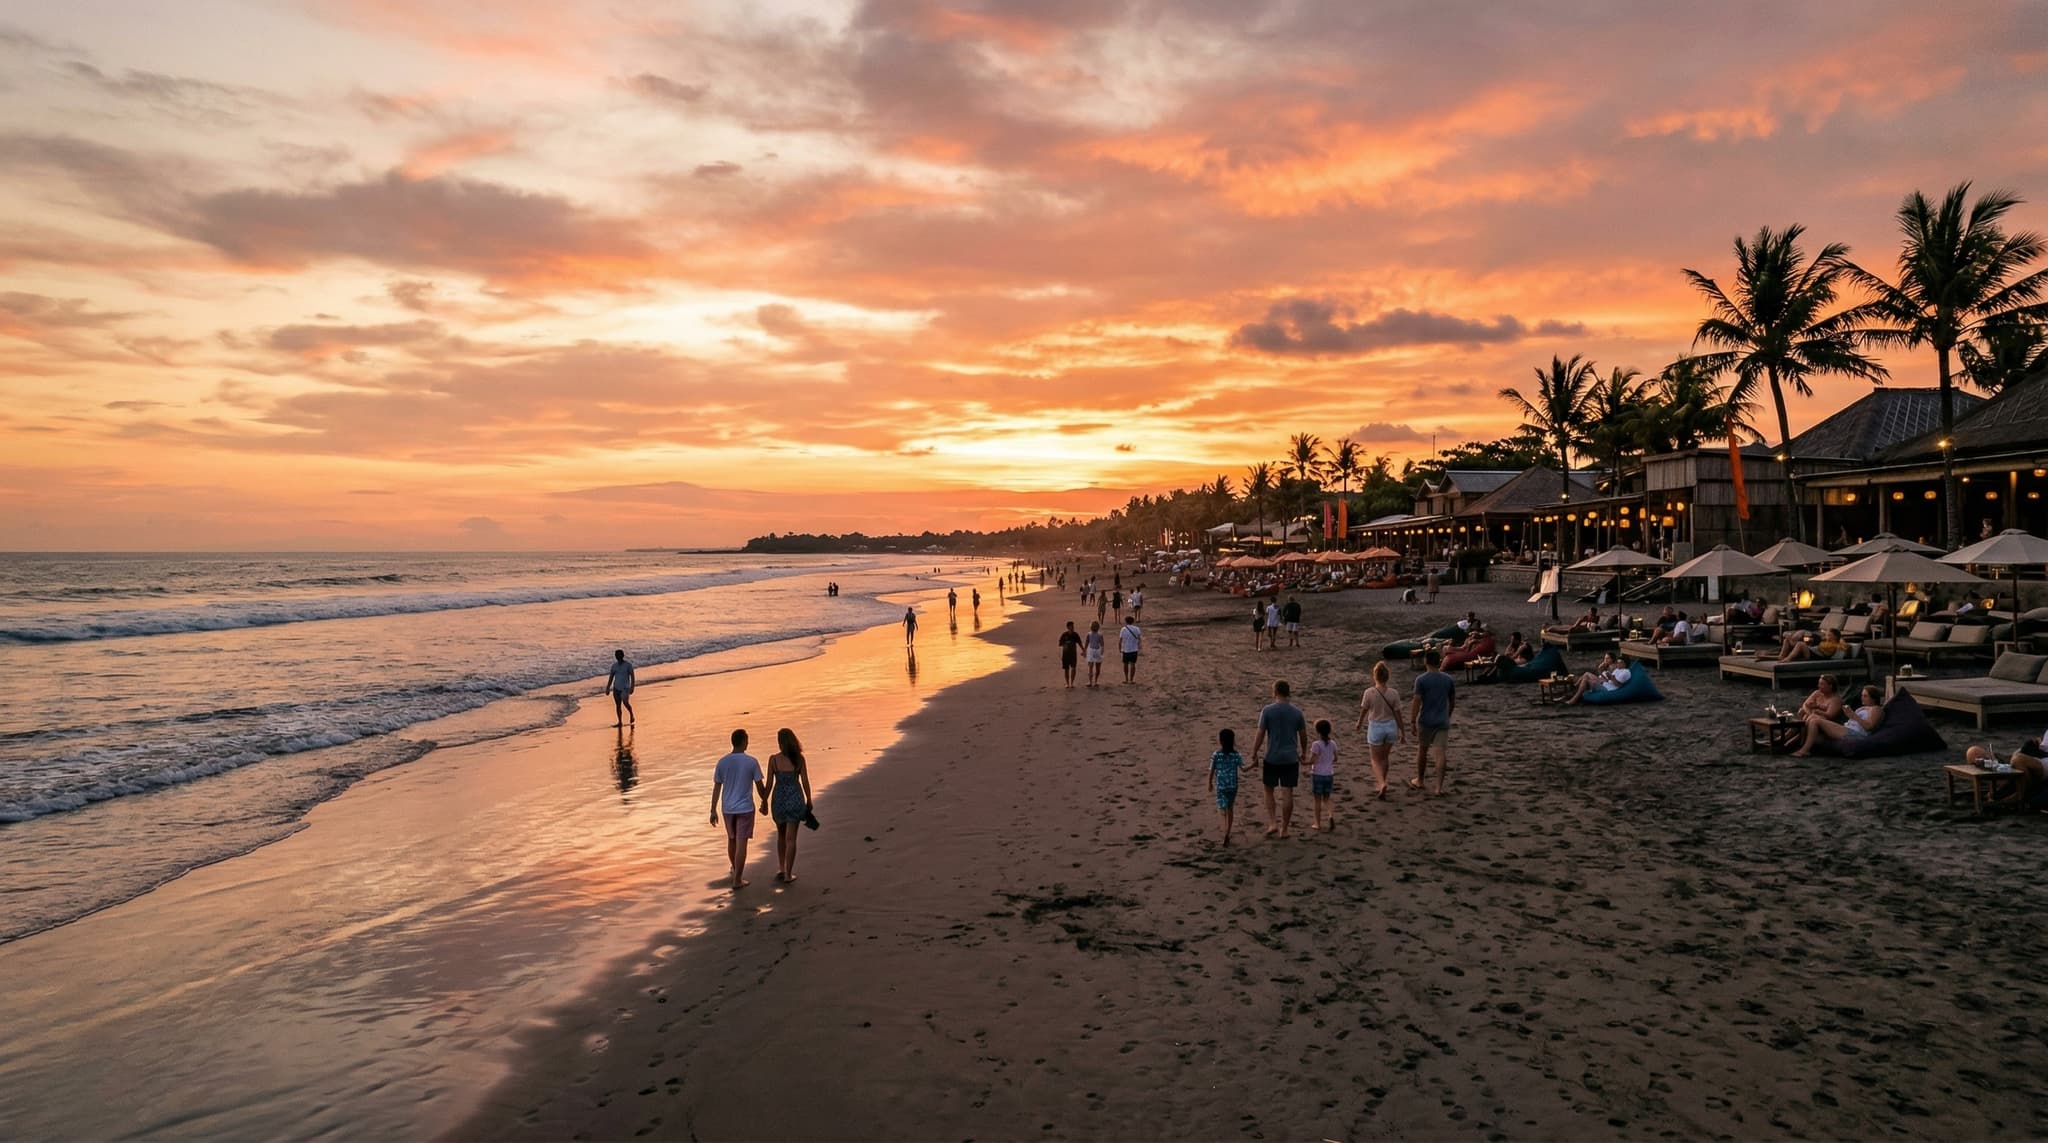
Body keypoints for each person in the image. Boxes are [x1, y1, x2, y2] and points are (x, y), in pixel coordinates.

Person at [710, 729, 767, 891]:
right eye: (747, 740)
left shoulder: (722, 762)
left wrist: (712, 809)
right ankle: (737, 879)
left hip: (727, 808)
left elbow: (717, 787)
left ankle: (735, 869)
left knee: (732, 839)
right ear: (743, 741)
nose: (748, 743)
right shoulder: (751, 762)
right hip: (745, 808)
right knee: (742, 843)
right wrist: (765, 799)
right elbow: (760, 787)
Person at [1251, 680, 1308, 837]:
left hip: (1272, 757)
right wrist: (1303, 752)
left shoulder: (1268, 711)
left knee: (1268, 790)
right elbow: (1303, 735)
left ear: (1274, 692)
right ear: (1288, 693)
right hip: (1290, 758)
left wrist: (1254, 751)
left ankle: (1272, 823)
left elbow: (1260, 733)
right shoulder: (1297, 712)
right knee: (1287, 792)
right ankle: (1285, 829)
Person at [765, 728, 814, 884]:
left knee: (781, 835)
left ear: (780, 742)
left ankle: (781, 868)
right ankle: (788, 874)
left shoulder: (773, 760)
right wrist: (809, 799)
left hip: (779, 799)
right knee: (791, 838)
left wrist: (764, 801)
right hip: (795, 798)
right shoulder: (799, 759)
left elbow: (769, 784)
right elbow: (805, 781)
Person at [1792, 684, 1884, 756]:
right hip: (1847, 729)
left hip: (1856, 734)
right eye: (1862, 695)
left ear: (1873, 698)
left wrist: (1853, 715)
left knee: (1816, 721)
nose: (1862, 698)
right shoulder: (1863, 708)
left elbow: (1870, 726)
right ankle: (1797, 743)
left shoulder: (1876, 709)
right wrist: (1850, 715)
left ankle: (1804, 750)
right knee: (1813, 717)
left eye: (1865, 696)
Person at [1355, 660, 1402, 799]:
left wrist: (1359, 723)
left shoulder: (1369, 692)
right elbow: (1398, 714)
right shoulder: (1393, 693)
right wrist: (1403, 732)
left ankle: (1381, 783)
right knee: (1385, 758)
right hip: (1390, 726)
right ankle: (1382, 781)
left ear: (1375, 676)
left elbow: (1364, 710)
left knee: (1375, 760)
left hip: (1376, 726)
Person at [1410, 648, 1455, 795]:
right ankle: (1439, 787)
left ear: (1426, 662)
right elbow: (1452, 701)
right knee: (1440, 753)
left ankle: (1420, 780)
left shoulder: (1421, 680)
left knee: (1422, 750)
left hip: (1426, 720)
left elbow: (1416, 702)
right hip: (1442, 720)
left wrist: (1412, 720)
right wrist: (1448, 715)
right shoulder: (1448, 679)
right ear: (1439, 662)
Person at [1208, 727, 1249, 845]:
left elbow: (1211, 771)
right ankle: (1228, 832)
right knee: (1230, 808)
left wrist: (1209, 783)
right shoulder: (1236, 755)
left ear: (1221, 741)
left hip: (1221, 785)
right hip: (1232, 785)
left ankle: (1223, 831)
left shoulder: (1216, 754)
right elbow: (1244, 769)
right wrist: (1254, 765)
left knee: (1222, 809)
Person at [1306, 719, 1338, 830]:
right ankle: (1330, 815)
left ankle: (1317, 823)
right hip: (1329, 774)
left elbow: (1312, 760)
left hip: (1318, 774)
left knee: (1317, 800)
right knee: (1327, 798)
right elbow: (1336, 758)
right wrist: (1328, 761)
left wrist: (1303, 762)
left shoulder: (1316, 744)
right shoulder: (1333, 743)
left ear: (1317, 731)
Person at [1565, 652, 1630, 703]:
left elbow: (1619, 685)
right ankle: (1575, 692)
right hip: (1605, 684)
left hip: (1608, 689)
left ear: (1625, 664)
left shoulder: (1626, 672)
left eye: (1619, 663)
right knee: (1586, 675)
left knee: (1586, 678)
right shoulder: (1617, 670)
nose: (1617, 664)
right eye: (1617, 662)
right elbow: (1608, 680)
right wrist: (1603, 674)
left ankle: (1574, 699)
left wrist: (1611, 678)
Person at [604, 649, 636, 727]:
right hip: (616, 688)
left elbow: (632, 676)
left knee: (625, 702)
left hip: (625, 688)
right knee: (618, 705)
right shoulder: (614, 666)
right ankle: (620, 722)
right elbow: (611, 677)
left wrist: (632, 687)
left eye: (618, 655)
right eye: (616, 655)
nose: (617, 656)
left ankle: (631, 714)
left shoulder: (628, 665)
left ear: (622, 656)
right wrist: (608, 688)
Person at [1118, 614, 1143, 683]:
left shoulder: (1123, 629)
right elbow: (1139, 639)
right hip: (1134, 649)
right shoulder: (1136, 629)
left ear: (1126, 621)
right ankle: (1131, 679)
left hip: (1126, 649)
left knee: (1125, 664)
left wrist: (1119, 648)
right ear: (1133, 621)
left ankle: (1126, 678)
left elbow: (1120, 640)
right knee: (1133, 664)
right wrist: (1140, 646)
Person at [1058, 621, 1082, 689]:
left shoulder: (1075, 635)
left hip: (1073, 654)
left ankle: (1072, 683)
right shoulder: (1064, 635)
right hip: (1065, 655)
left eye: (1073, 627)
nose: (1073, 628)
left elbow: (1079, 643)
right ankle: (1067, 683)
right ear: (1068, 627)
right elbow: (1060, 644)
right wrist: (1065, 645)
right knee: (1066, 669)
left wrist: (1083, 650)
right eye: (1071, 627)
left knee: (1073, 668)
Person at [1084, 620, 1106, 687]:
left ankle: (1090, 682)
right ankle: (1096, 681)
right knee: (1098, 667)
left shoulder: (1089, 634)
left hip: (1091, 650)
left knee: (1090, 667)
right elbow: (1102, 644)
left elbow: (1086, 643)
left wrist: (1084, 650)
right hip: (1097, 650)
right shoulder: (1100, 634)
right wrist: (1102, 651)